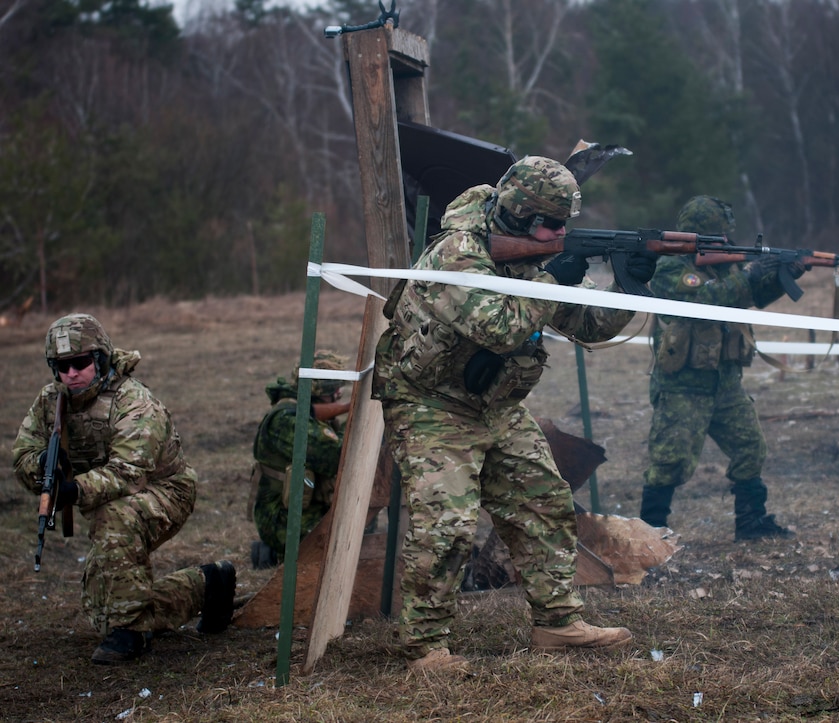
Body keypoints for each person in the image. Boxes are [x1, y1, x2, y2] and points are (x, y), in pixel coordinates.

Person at [372, 155, 657, 671]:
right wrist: (551, 278)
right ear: (519, 214)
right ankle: (425, 647)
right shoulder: (457, 254)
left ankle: (557, 624)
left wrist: (628, 290)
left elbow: (588, 324)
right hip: (431, 402)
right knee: (446, 524)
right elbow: (500, 327)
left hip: (496, 405)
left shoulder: (533, 258)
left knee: (543, 500)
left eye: (564, 225)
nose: (559, 233)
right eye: (549, 224)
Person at [12, 313, 235, 665]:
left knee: (113, 518)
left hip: (165, 491)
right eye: (61, 366)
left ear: (99, 358)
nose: (70, 374)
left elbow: (129, 473)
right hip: (108, 494)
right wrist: (41, 465)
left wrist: (73, 491)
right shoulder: (50, 402)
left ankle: (131, 633)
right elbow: (21, 453)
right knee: (103, 609)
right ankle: (206, 586)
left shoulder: (134, 401)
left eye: (80, 363)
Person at [639, 195, 805, 540]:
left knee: (750, 448)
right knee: (670, 461)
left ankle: (751, 522)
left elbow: (750, 295)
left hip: (726, 383)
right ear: (698, 237)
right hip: (683, 386)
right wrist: (747, 273)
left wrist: (780, 276)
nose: (728, 241)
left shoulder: (725, 267)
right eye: (719, 236)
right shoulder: (670, 268)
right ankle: (650, 533)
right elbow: (705, 299)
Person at [249, 350, 350, 569]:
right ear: (319, 391)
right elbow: (337, 458)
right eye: (334, 390)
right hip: (282, 522)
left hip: (304, 510)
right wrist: (354, 418)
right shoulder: (286, 421)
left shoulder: (303, 412)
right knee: (351, 536)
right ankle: (276, 551)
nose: (339, 394)